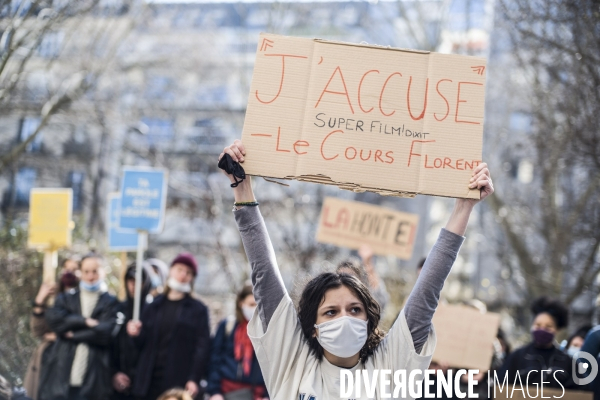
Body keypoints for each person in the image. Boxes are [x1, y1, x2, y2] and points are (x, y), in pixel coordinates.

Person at [218, 140, 494, 399]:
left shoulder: (390, 369)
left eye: (354, 310)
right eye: (330, 312)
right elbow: (264, 273)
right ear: (313, 328)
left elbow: (427, 292)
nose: (345, 319)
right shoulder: (293, 364)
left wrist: (463, 208)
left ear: (369, 319)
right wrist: (242, 189)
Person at [127, 253, 210, 400]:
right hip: (148, 379)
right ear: (171, 270)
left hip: (177, 380)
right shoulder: (153, 305)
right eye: (179, 269)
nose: (183, 275)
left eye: (188, 272)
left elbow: (201, 347)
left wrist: (194, 378)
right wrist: (135, 334)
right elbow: (141, 344)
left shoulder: (198, 310)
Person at [41, 253, 119, 400]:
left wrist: (73, 335)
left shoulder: (111, 302)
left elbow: (106, 333)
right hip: (62, 380)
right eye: (86, 271)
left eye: (95, 271)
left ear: (103, 271)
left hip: (94, 382)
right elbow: (55, 322)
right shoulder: (66, 298)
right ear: (81, 273)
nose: (90, 276)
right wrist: (85, 322)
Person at [24, 258, 81, 400]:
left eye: (74, 269)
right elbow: (38, 331)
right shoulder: (54, 297)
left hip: (71, 361)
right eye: (67, 269)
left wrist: (59, 336)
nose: (69, 274)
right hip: (47, 360)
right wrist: (39, 300)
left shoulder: (86, 299)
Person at [498, 296, 575, 389]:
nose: (542, 330)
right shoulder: (516, 358)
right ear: (532, 326)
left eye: (548, 327)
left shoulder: (568, 362)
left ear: (557, 329)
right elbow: (499, 389)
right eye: (538, 325)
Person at [207, 284, 268, 400]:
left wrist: (267, 395)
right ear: (241, 303)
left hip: (256, 393)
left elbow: (271, 365)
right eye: (251, 304)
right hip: (226, 391)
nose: (254, 309)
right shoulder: (228, 326)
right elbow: (214, 360)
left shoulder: (266, 331)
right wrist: (214, 391)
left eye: (257, 305)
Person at [111, 264, 153, 400]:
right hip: (118, 386)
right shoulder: (117, 309)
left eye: (139, 281)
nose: (134, 285)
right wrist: (114, 373)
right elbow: (110, 346)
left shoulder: (154, 312)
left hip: (145, 387)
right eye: (130, 280)